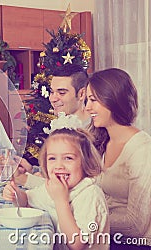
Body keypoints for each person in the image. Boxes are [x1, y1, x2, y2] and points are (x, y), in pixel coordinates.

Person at [3, 118, 109, 250]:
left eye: (68, 158)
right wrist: (16, 194)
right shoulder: (53, 187)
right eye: (52, 158)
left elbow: (77, 244)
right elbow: (28, 200)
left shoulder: (90, 194)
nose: (59, 165)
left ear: (85, 162)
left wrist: (61, 201)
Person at [86, 68, 151, 248]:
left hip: (136, 243)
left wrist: (89, 219)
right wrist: (27, 178)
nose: (87, 107)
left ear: (113, 99)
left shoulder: (142, 149)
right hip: (108, 236)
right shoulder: (103, 140)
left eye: (93, 100)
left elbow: (136, 225)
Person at [17, 64, 90, 187]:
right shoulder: (60, 124)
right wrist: (31, 170)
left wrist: (26, 180)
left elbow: (75, 187)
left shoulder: (93, 132)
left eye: (61, 93)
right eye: (52, 92)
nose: (52, 99)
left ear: (82, 94)